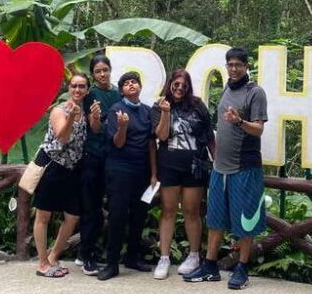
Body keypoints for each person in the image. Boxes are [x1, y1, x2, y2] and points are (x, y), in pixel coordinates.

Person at [184, 47, 268, 290]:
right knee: (216, 219)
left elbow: (259, 129)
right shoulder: (227, 90)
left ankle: (242, 268)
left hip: (245, 167)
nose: (233, 69)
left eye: (238, 65)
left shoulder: (255, 92)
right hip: (220, 168)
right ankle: (210, 265)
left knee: (246, 222)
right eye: (230, 64)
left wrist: (240, 121)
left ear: (246, 66)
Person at [151, 69, 214, 279]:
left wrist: (218, 162)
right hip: (169, 164)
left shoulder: (197, 105)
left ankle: (194, 255)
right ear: (170, 84)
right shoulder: (159, 105)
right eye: (176, 84)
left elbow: (209, 136)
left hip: (196, 165)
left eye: (183, 85)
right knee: (168, 209)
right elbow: (161, 135)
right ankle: (164, 257)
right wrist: (166, 112)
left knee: (191, 210)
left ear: (188, 87)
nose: (179, 88)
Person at [97, 71, 158, 281]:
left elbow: (152, 144)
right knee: (117, 216)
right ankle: (112, 263)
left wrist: (153, 173)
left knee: (139, 216)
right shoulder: (117, 109)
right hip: (120, 169)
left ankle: (132, 257)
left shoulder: (147, 111)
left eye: (134, 82)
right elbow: (118, 143)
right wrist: (122, 126)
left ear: (140, 87)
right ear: (122, 89)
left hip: (142, 171)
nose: (131, 85)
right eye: (126, 83)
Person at [32, 72, 90, 277]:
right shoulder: (59, 110)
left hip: (71, 170)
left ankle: (53, 256)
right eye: (74, 85)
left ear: (87, 90)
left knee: (73, 216)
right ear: (68, 88)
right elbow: (62, 137)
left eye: (82, 86)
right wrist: (71, 117)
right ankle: (42, 263)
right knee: (43, 215)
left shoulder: (84, 111)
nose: (77, 89)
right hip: (52, 166)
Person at [78, 54, 120, 276]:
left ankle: (104, 253)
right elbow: (93, 128)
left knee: (112, 208)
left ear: (110, 70)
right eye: (98, 71)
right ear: (93, 75)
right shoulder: (90, 94)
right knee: (91, 209)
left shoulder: (118, 93)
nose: (102, 74)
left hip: (113, 157)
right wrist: (95, 118)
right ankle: (87, 255)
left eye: (105, 70)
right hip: (92, 157)